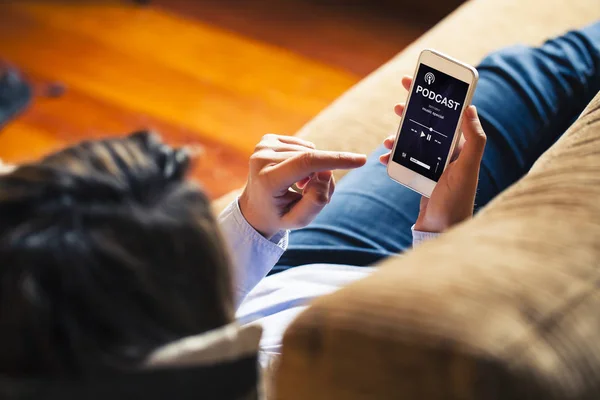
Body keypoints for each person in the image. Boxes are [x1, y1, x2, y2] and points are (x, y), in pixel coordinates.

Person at [0, 22, 598, 377]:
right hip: (390, 294)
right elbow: (416, 360)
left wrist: (253, 223)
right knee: (536, 84)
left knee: (520, 79)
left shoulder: (50, 322)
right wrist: (441, 234)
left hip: (304, 266)